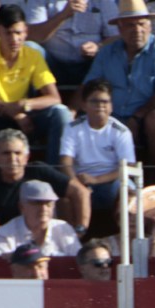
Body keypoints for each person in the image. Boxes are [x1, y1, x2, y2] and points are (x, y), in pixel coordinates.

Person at [0, 4, 73, 176]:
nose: (14, 39)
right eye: (8, 33)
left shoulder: (33, 55)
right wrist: (12, 111)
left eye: (18, 33)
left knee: (61, 112)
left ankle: (53, 176)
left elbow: (54, 98)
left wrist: (24, 105)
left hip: (24, 117)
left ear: (26, 32)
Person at [84, 0, 155, 186]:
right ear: (120, 29)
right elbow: (89, 87)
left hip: (151, 121)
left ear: (150, 26)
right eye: (130, 25)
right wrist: (72, 111)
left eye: (142, 24)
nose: (137, 30)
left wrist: (137, 118)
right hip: (115, 117)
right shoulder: (107, 52)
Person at [0, 128, 91, 242]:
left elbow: (81, 192)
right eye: (6, 153)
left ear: (27, 157)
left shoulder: (39, 170)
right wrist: (26, 236)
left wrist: (80, 229)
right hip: (10, 240)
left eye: (18, 153)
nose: (12, 159)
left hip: (49, 238)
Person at [60, 78, 136, 217]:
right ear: (84, 105)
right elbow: (65, 162)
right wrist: (76, 185)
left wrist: (96, 180)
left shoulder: (121, 131)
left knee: (129, 193)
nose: (100, 105)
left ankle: (126, 230)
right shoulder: (72, 128)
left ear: (111, 106)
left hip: (112, 181)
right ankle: (77, 230)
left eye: (105, 101)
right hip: (81, 181)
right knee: (62, 198)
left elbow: (128, 167)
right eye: (95, 101)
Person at [26, 0, 121, 86]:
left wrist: (98, 47)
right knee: (30, 47)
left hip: (90, 65)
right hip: (51, 64)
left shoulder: (104, 2)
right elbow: (33, 36)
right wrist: (64, 15)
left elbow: (116, 36)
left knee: (116, 50)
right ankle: (32, 96)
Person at [0, 179, 83, 257]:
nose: (44, 209)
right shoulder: (4, 234)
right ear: (22, 207)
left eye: (48, 204)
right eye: (37, 203)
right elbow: (3, 267)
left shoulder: (64, 228)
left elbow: (78, 262)